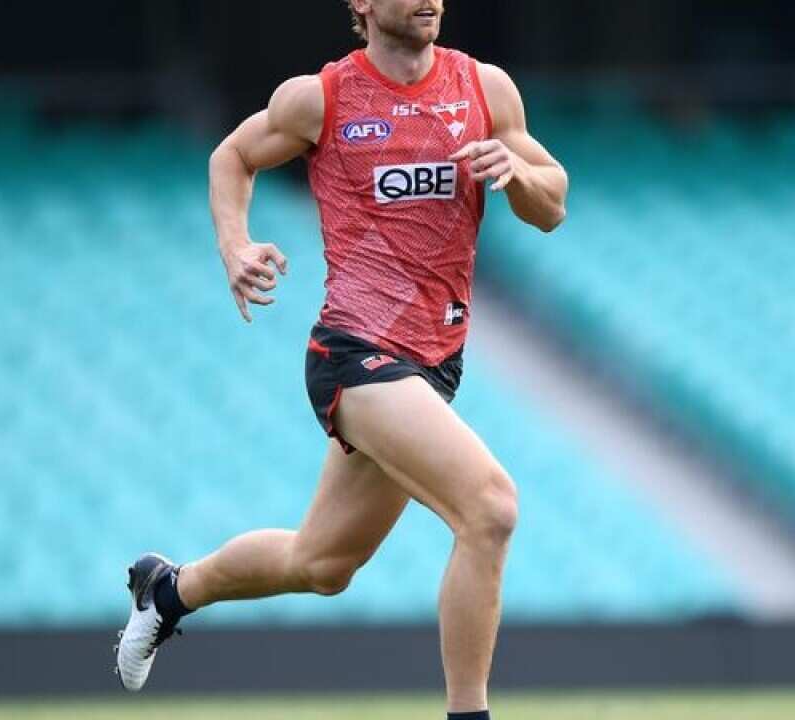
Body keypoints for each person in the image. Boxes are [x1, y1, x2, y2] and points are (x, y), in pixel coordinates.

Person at [115, 2, 567, 717]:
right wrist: (235, 245)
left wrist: (517, 172)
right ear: (360, 4)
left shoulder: (485, 89)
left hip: (430, 368)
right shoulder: (321, 98)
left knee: (321, 564)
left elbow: (553, 205)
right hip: (353, 354)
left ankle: (167, 590)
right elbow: (231, 156)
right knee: (490, 509)